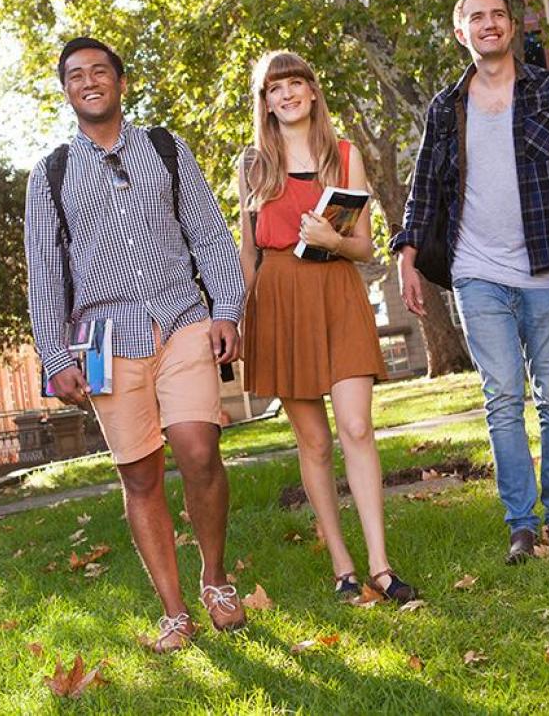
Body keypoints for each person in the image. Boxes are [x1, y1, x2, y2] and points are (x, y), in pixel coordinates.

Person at [392, 0, 549, 565]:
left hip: (546, 267)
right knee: (501, 399)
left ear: (512, 27)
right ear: (460, 31)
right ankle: (521, 525)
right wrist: (407, 256)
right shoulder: (446, 109)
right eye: (478, 16)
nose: (491, 24)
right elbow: (423, 186)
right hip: (477, 273)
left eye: (499, 15)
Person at [25, 36, 248, 652]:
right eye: (76, 75)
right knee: (140, 475)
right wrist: (54, 356)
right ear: (67, 91)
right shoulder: (50, 176)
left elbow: (207, 231)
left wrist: (226, 309)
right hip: (104, 338)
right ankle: (174, 611)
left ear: (121, 83)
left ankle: (215, 578)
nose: (89, 80)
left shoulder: (165, 149)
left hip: (182, 319)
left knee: (199, 450)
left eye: (100, 70)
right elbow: (45, 274)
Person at [238, 50, 417, 604]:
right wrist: (241, 322)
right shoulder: (252, 165)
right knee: (313, 441)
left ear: (313, 92)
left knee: (356, 429)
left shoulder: (345, 155)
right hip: (279, 300)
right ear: (264, 103)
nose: (287, 94)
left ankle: (381, 568)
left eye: (295, 83)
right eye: (275, 88)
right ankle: (342, 568)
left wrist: (332, 241)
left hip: (337, 291)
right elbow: (247, 255)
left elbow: (363, 246)